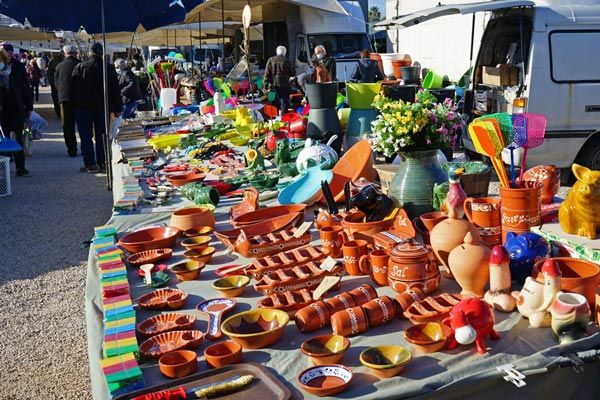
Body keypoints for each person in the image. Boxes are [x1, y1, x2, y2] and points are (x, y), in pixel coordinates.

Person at [70, 42, 121, 173]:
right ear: (101, 53)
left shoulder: (80, 67)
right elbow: (115, 89)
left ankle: (90, 164)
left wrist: (72, 105)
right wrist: (117, 108)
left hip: (83, 107)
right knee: (102, 135)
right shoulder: (108, 68)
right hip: (102, 107)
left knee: (85, 136)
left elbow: (72, 88)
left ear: (90, 53)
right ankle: (103, 163)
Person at [0, 43, 33, 176]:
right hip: (2, 109)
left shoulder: (18, 67)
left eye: (7, 53)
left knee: (18, 136)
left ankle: (20, 167)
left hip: (16, 107)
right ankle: (3, 169)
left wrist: (29, 107)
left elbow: (25, 88)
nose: (7, 55)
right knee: (3, 138)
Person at [54, 45, 81, 157]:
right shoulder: (80, 64)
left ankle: (72, 149)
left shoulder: (59, 66)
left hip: (64, 98)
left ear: (65, 53)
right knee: (82, 124)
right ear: (76, 53)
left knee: (67, 125)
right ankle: (85, 147)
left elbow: (55, 83)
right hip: (80, 98)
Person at [264, 45, 295, 114]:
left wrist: (265, 85)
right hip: (285, 85)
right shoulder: (287, 61)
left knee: (273, 101)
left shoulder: (270, 60)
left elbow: (266, 74)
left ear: (276, 52)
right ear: (284, 53)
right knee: (284, 102)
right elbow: (293, 73)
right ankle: (283, 119)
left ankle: (274, 117)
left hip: (273, 85)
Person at [46, 52, 63, 118]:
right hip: (56, 84)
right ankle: (59, 112)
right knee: (57, 99)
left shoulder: (54, 62)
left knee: (57, 99)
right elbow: (49, 73)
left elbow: (49, 73)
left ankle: (59, 113)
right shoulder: (53, 62)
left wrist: (52, 82)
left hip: (57, 84)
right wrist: (52, 82)